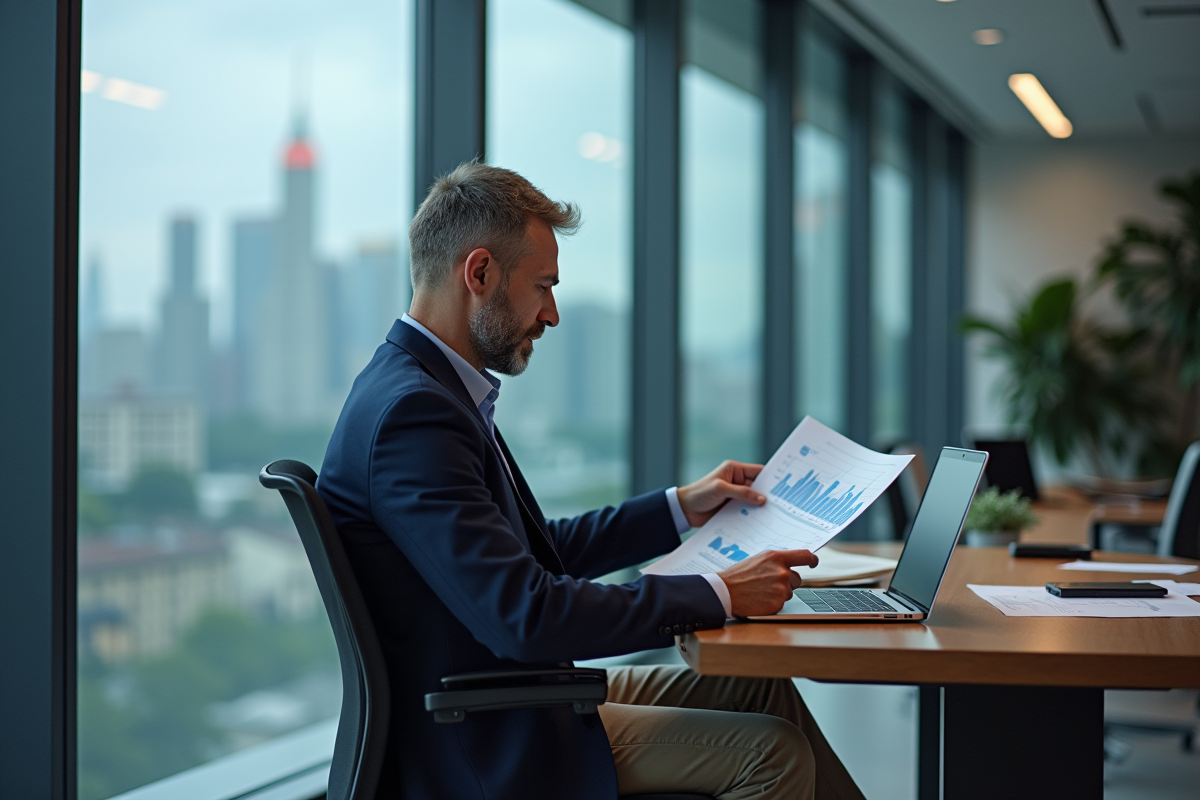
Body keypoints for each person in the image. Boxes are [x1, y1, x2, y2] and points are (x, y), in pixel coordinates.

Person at [318, 161, 865, 800]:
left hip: (508, 698)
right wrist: (719, 592)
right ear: (480, 273)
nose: (551, 314)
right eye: (543, 286)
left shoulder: (424, 389)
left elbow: (536, 552)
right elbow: (526, 615)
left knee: (759, 689)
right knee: (772, 754)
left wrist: (680, 507)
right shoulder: (416, 415)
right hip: (486, 737)